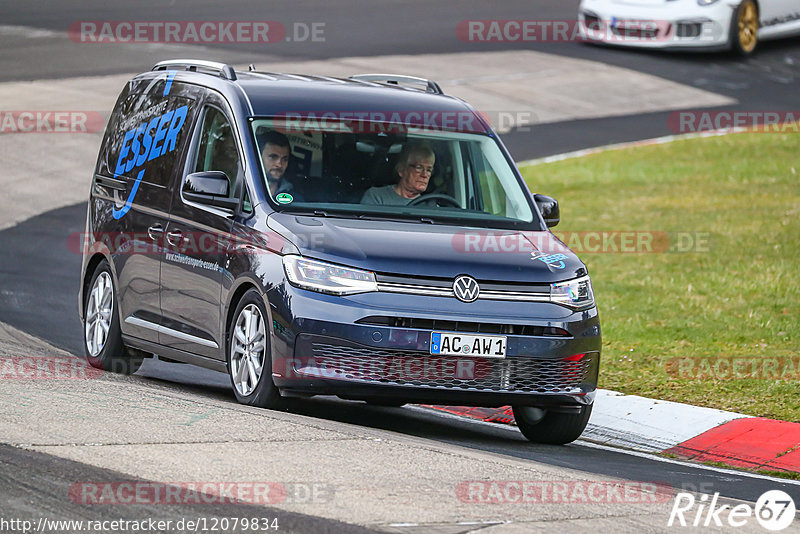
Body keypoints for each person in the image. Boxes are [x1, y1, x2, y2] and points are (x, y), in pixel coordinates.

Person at [361, 142, 435, 205]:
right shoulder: (376, 196)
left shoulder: (429, 207)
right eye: (419, 168)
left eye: (429, 170)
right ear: (401, 170)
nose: (424, 175)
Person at [260, 130, 302, 201]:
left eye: (285, 159)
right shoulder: (243, 187)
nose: (279, 164)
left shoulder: (295, 198)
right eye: (273, 157)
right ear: (258, 156)